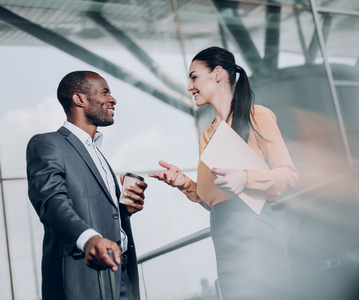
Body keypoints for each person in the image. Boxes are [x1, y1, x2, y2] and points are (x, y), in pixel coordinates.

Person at [149, 46, 299, 299]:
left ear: (217, 73)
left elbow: (288, 175)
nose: (189, 87)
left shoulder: (256, 116)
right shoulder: (206, 134)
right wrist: (183, 182)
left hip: (254, 229)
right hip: (222, 234)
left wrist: (247, 177)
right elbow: (212, 200)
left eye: (194, 77)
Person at [26, 71, 147, 300]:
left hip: (121, 276)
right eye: (105, 92)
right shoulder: (47, 144)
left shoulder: (97, 153)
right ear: (79, 99)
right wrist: (89, 240)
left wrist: (124, 210)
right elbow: (51, 202)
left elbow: (104, 214)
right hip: (82, 280)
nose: (113, 100)